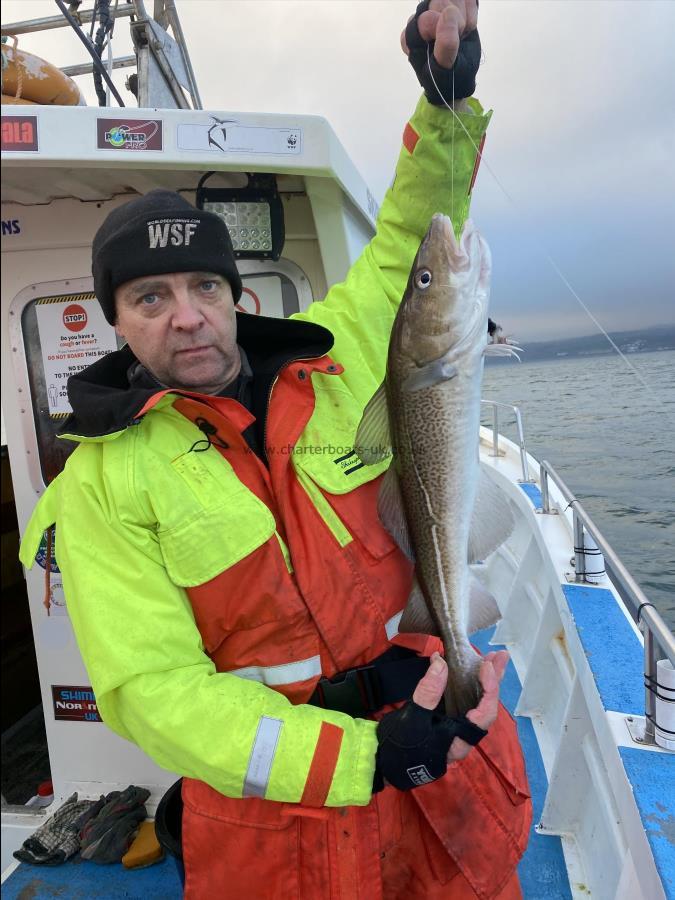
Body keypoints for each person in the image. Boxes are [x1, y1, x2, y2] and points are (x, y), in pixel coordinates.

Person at [20, 1, 531, 896]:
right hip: (284, 826)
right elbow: (153, 692)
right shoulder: (101, 482)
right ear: (114, 319)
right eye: (149, 298)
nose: (186, 315)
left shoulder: (330, 364)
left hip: (433, 747)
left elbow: (411, 253)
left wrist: (446, 94)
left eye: (203, 287)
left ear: (234, 293)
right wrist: (360, 756)